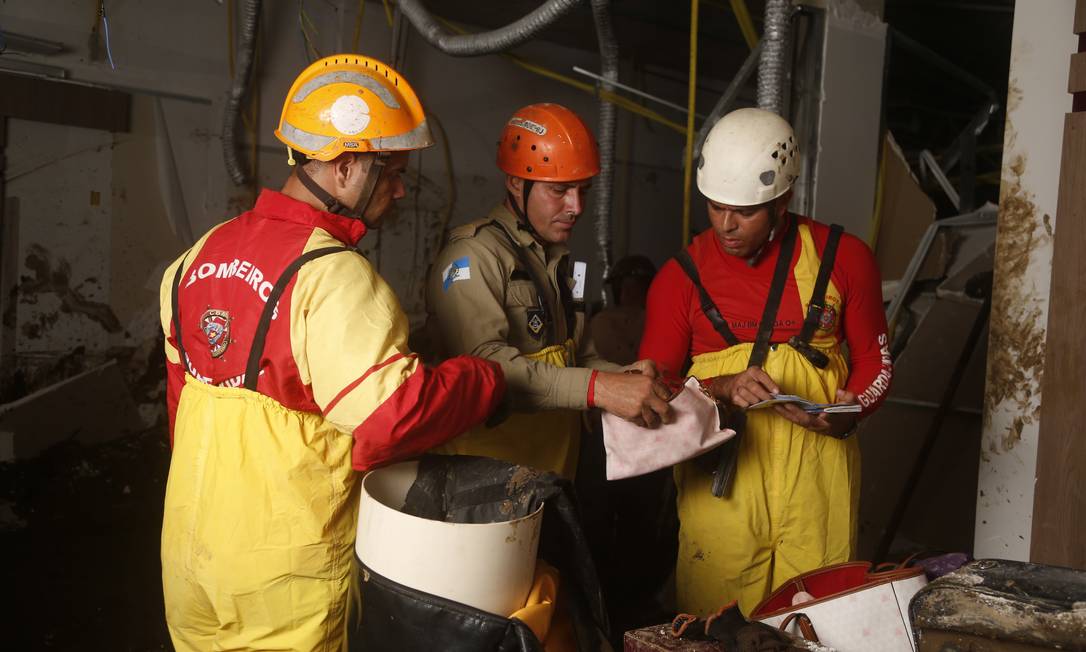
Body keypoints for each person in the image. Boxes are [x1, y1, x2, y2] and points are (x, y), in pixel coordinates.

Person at [158, 54, 506, 651]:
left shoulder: (197, 255)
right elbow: (387, 424)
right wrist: (485, 380)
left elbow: (178, 411)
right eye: (390, 170)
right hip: (281, 575)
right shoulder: (333, 276)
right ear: (346, 166)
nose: (399, 189)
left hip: (191, 555)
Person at [638, 108, 893, 615]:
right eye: (714, 207)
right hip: (722, 488)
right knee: (716, 627)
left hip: (819, 485)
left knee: (818, 625)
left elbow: (876, 364)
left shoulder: (845, 258)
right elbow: (651, 390)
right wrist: (722, 384)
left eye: (745, 212)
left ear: (783, 200)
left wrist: (849, 412)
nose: (726, 226)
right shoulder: (680, 277)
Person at [425, 103, 672, 479]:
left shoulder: (559, 261)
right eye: (560, 190)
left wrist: (624, 377)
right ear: (515, 183)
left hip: (550, 472)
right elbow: (487, 370)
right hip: (483, 480)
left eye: (583, 190)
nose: (576, 207)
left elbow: (578, 359)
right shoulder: (472, 257)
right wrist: (601, 388)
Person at [589, 255, 657, 366]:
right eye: (623, 286)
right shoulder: (602, 321)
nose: (626, 292)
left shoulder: (658, 321)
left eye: (633, 286)